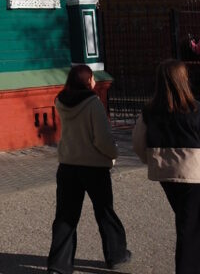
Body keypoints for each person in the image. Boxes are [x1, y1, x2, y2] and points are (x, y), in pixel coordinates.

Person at [132, 59, 200, 274]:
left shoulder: (149, 112)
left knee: (184, 220)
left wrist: (152, 160)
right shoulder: (197, 109)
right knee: (191, 226)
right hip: (193, 173)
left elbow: (138, 143)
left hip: (166, 173)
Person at [47, 65, 130, 274]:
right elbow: (101, 138)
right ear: (88, 80)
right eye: (92, 78)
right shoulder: (93, 103)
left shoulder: (60, 101)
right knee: (104, 211)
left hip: (68, 164)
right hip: (93, 166)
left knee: (65, 216)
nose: (94, 81)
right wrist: (113, 153)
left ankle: (59, 265)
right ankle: (116, 254)